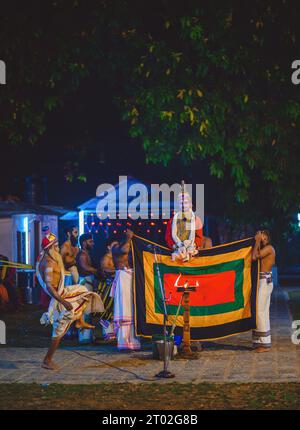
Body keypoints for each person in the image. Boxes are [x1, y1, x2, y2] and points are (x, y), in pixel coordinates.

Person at [36, 231, 104, 370]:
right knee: (59, 329)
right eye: (55, 246)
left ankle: (79, 321)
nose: (58, 248)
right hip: (58, 297)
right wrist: (64, 302)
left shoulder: (51, 257)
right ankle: (47, 360)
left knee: (84, 291)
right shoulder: (48, 263)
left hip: (62, 292)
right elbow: (49, 287)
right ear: (49, 248)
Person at [110, 230, 141, 351]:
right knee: (124, 308)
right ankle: (123, 341)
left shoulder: (131, 246)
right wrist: (128, 238)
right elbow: (122, 250)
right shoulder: (116, 247)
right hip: (122, 277)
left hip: (131, 277)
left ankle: (133, 341)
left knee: (132, 309)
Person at [252, 230, 276, 353]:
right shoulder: (263, 248)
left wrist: (256, 241)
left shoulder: (269, 248)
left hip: (265, 281)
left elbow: (254, 256)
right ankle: (258, 341)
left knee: (260, 311)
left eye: (263, 237)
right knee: (259, 311)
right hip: (261, 281)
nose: (261, 239)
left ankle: (264, 343)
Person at [96, 239, 118, 340]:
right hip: (107, 286)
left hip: (114, 285)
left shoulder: (115, 257)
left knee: (113, 310)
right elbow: (105, 269)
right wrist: (119, 270)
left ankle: (111, 335)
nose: (117, 247)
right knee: (107, 309)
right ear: (109, 247)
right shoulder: (106, 258)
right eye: (114, 245)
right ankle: (107, 334)